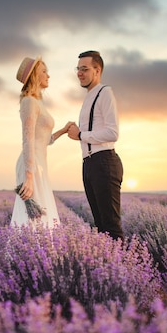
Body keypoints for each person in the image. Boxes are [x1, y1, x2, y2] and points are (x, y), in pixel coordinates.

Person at [67, 50, 124, 240]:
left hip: (104, 162)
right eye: (78, 69)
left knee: (110, 227)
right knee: (100, 228)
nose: (79, 73)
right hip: (90, 164)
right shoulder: (88, 97)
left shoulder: (105, 92)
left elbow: (113, 132)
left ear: (97, 70)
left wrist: (81, 134)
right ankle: (110, 268)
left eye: (84, 69)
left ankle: (125, 269)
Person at [11, 56, 72, 228]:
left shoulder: (37, 102)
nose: (48, 76)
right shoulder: (29, 102)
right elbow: (27, 139)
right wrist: (29, 176)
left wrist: (63, 130)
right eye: (44, 71)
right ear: (34, 76)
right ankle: (28, 251)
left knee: (41, 214)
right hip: (31, 165)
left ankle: (40, 252)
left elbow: (44, 140)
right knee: (33, 218)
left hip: (39, 164)